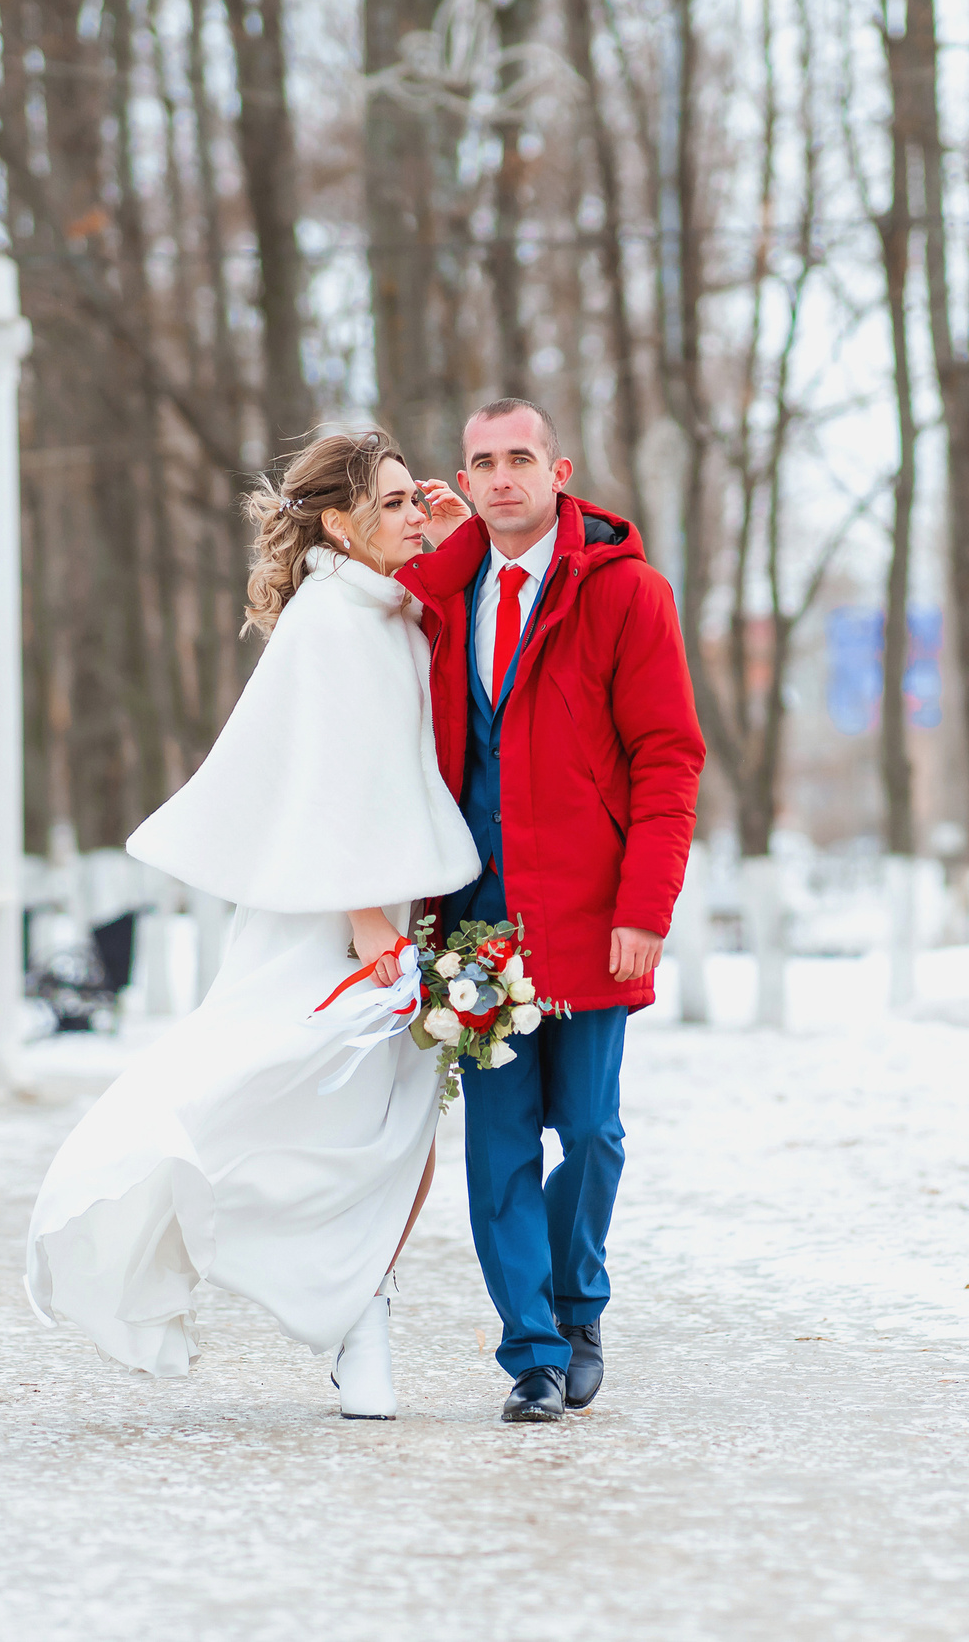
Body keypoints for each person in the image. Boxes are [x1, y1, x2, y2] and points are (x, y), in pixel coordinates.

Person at [23, 431, 480, 1422]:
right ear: (336, 522)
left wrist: (456, 531)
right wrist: (371, 929)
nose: (414, 513)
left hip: (386, 908)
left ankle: (361, 1308)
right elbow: (332, 786)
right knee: (303, 1105)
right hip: (332, 918)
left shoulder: (385, 607)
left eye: (417, 499)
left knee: (391, 1124)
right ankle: (342, 1308)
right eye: (395, 501)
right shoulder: (333, 622)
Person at [402, 398, 705, 1424]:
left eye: (519, 458)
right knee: (497, 1145)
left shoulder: (628, 595)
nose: (500, 478)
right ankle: (531, 1353)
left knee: (591, 1130)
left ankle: (578, 1304)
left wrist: (645, 904)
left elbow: (669, 757)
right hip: (476, 921)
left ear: (559, 470)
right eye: (480, 461)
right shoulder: (438, 601)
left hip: (589, 913)